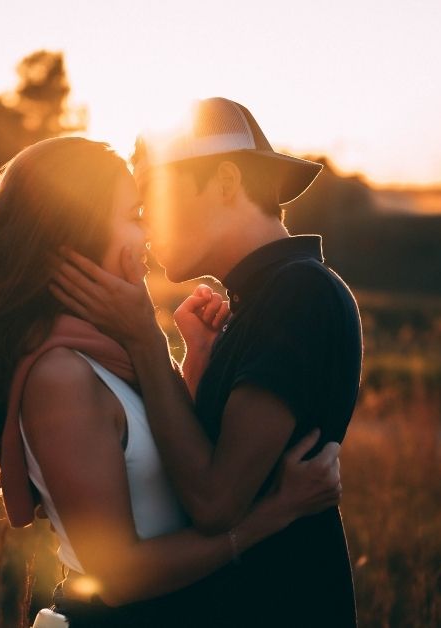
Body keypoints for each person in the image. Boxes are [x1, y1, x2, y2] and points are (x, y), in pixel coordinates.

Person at [0, 136, 343, 627]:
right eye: (133, 214)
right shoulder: (59, 376)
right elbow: (119, 577)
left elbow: (156, 465)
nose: (147, 232)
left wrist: (193, 364)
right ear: (78, 228)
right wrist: (273, 513)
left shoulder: (110, 355)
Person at [51, 97, 364, 626]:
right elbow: (200, 461)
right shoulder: (261, 301)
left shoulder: (297, 295)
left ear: (223, 182)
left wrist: (144, 339)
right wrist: (193, 363)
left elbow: (215, 502)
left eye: (156, 192)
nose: (146, 221)